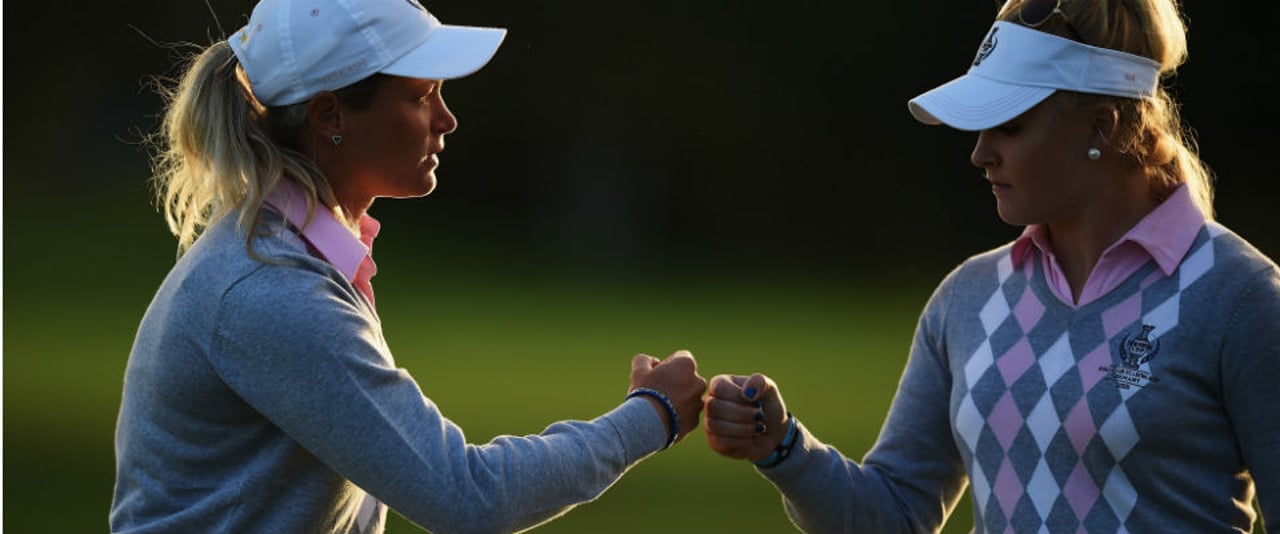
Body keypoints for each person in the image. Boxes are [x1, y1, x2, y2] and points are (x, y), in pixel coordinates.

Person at [110, 0, 708, 532]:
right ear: (329, 116)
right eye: (422, 97)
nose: (447, 120)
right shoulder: (269, 289)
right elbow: (469, 498)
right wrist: (649, 417)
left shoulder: (293, 253)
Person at [703, 0, 1279, 532]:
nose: (980, 153)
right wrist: (779, 445)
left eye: (1011, 126)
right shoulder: (969, 297)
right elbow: (896, 512)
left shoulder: (1240, 296)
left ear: (1101, 127)